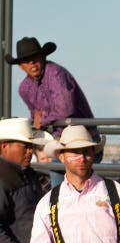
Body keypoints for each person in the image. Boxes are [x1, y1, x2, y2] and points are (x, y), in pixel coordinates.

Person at [5, 37, 102, 187]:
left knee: (79, 185)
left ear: (43, 57)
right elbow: (36, 115)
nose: (32, 63)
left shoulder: (56, 74)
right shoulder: (24, 89)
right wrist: (39, 118)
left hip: (84, 140)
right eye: (26, 60)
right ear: (21, 66)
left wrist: (42, 120)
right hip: (61, 142)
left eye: (35, 57)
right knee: (64, 186)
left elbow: (65, 108)